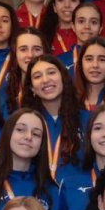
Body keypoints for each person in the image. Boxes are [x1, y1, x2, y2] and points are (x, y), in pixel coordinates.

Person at [20, 55, 85, 184]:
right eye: (37, 76)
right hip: (36, 197)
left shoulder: (87, 120)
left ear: (63, 77)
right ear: (32, 88)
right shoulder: (23, 124)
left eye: (51, 72)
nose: (45, 80)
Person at [75, 36, 105, 111]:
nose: (95, 65)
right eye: (89, 59)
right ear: (81, 64)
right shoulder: (69, 101)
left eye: (102, 60)